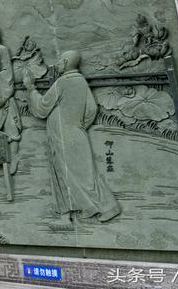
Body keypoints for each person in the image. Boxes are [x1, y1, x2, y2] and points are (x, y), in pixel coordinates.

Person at [24, 50, 121, 230]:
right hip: (77, 133)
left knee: (67, 173)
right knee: (85, 174)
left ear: (67, 62)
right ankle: (89, 208)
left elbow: (42, 108)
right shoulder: (81, 82)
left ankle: (108, 207)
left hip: (62, 136)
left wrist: (31, 89)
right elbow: (91, 109)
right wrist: (78, 125)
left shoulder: (63, 82)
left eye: (60, 60)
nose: (57, 63)